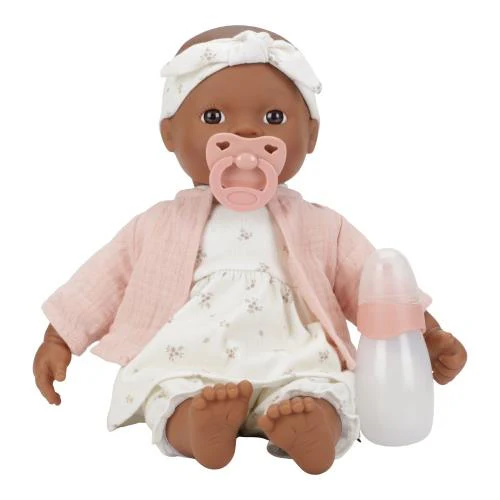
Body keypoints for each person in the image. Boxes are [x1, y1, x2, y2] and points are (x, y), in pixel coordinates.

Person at [33, 25, 467, 475]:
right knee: (168, 390)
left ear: (311, 135)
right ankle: (196, 425)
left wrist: (423, 335)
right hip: (187, 355)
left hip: (293, 355)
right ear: (169, 133)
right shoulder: (159, 223)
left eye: (274, 118)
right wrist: (59, 338)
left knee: (325, 386)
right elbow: (104, 279)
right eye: (213, 117)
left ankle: (310, 422)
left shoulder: (320, 225)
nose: (244, 133)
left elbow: (375, 282)